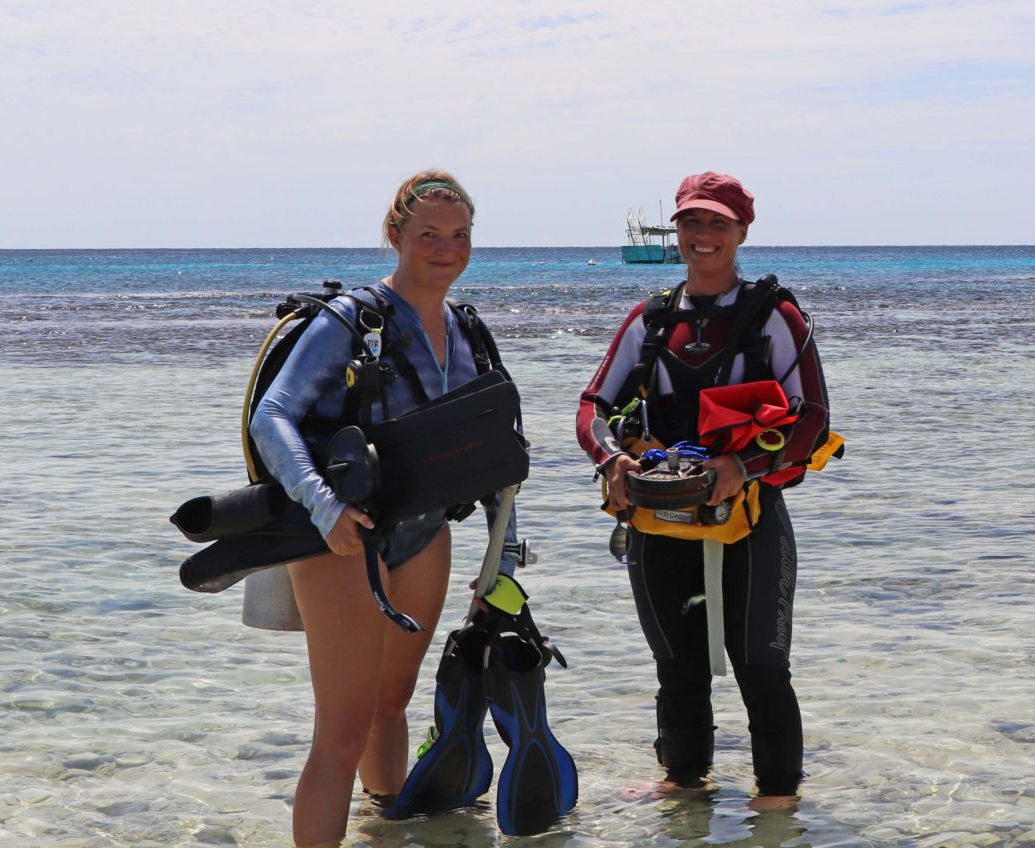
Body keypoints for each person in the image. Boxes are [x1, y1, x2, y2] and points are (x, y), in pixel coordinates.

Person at [247, 170, 516, 848]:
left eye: (459, 235)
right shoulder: (351, 322)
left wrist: (503, 560)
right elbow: (273, 415)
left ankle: (385, 828)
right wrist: (323, 505)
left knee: (391, 706)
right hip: (343, 537)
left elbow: (495, 453)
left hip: (425, 535)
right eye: (428, 234)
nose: (445, 248)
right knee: (340, 728)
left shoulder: (468, 330)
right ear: (395, 235)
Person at [576, 172, 833, 810]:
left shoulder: (775, 317)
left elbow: (812, 420)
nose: (703, 234)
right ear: (678, 229)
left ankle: (776, 800)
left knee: (762, 666)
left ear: (743, 231)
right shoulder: (652, 319)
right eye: (692, 221)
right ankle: (683, 786)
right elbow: (591, 408)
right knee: (677, 666)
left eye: (718, 223)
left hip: (749, 514)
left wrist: (740, 468)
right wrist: (613, 461)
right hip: (658, 517)